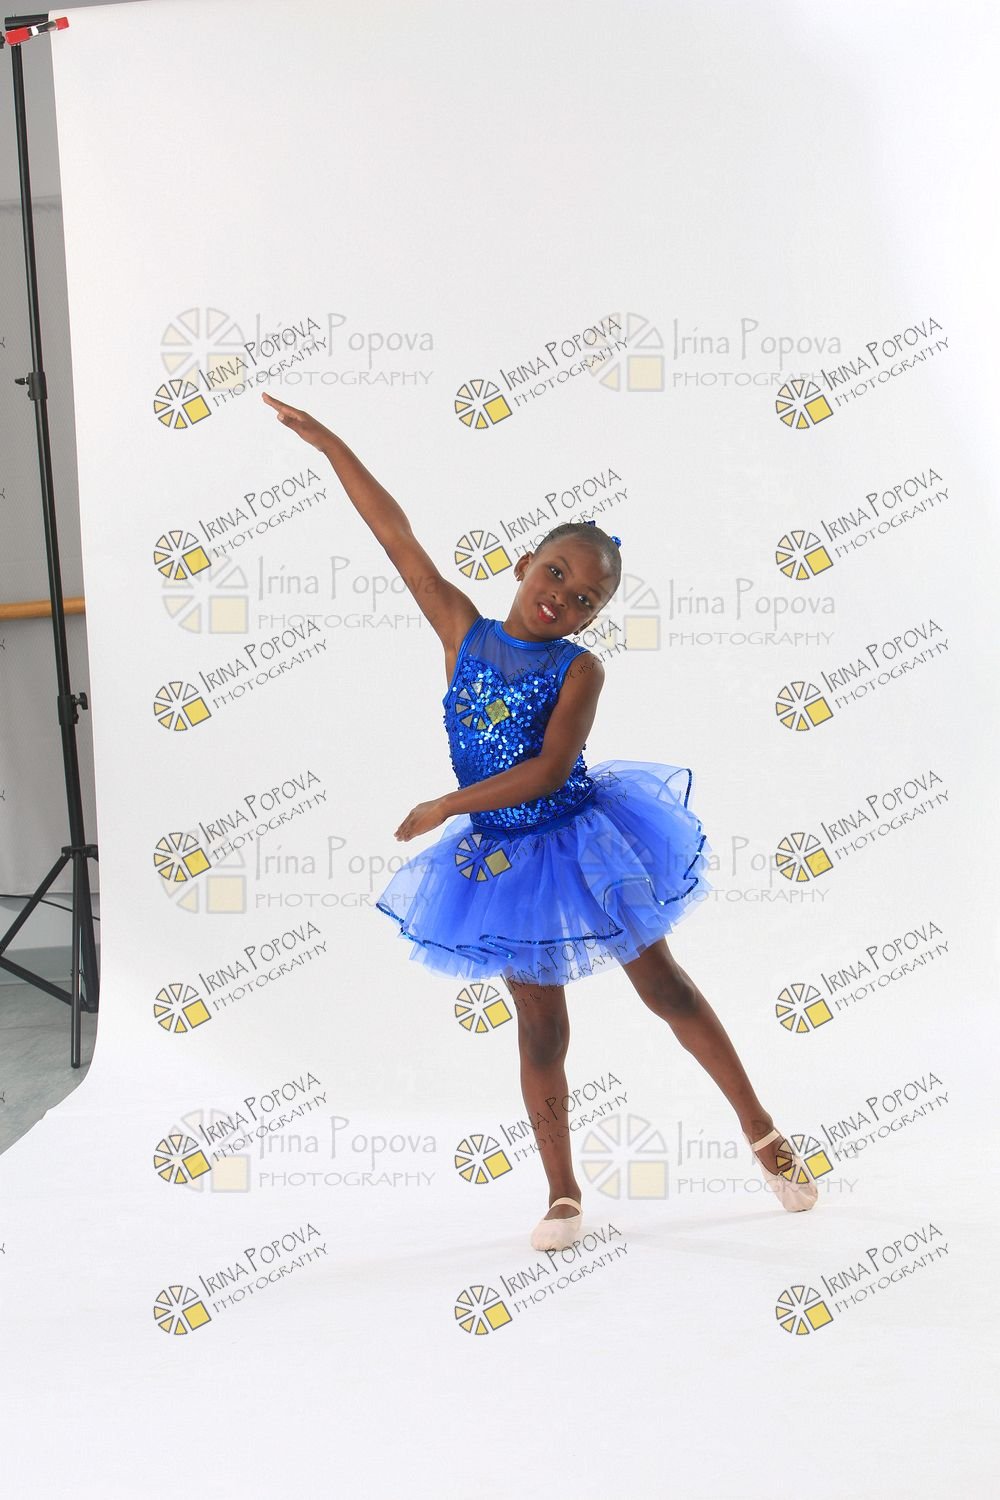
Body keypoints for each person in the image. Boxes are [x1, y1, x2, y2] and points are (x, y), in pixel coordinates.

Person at [262, 390, 818, 1248]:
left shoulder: (579, 670)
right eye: (556, 573)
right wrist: (331, 444)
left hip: (582, 840)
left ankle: (762, 1130)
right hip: (504, 861)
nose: (564, 597)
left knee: (664, 987)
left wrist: (446, 804)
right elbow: (395, 537)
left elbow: (549, 770)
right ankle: (562, 1193)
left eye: (587, 597)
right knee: (542, 1027)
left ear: (595, 617)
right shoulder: (462, 632)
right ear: (525, 564)